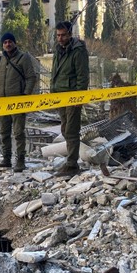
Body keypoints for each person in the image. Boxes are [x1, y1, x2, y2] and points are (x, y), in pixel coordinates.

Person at [0, 32, 38, 172]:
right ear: (2, 45)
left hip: (17, 102)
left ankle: (20, 160)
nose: (8, 44)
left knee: (18, 132)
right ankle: (6, 159)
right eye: (5, 42)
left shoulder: (23, 58)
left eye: (10, 41)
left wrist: (25, 95)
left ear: (14, 43)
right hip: (1, 102)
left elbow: (31, 77)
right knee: (4, 131)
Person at [50, 21, 90, 177]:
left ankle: (72, 164)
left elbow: (82, 76)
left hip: (73, 96)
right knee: (65, 129)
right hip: (60, 96)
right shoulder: (58, 50)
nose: (60, 38)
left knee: (71, 130)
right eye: (58, 35)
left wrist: (79, 98)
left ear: (70, 34)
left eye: (63, 35)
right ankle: (71, 159)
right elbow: (55, 72)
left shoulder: (78, 51)